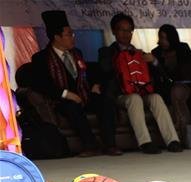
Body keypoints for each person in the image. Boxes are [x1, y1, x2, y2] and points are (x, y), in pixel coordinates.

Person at [30, 10, 121, 156]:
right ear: (56, 37)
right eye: (69, 34)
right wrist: (67, 94)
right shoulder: (41, 58)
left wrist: (95, 84)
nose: (73, 38)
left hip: (84, 94)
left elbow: (88, 73)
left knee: (105, 101)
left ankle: (110, 145)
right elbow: (42, 84)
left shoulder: (77, 53)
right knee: (72, 106)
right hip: (61, 99)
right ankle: (90, 145)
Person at [98, 13, 182, 153]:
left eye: (129, 30)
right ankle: (145, 142)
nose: (126, 34)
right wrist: (120, 59)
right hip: (121, 94)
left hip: (142, 91)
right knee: (135, 99)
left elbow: (162, 76)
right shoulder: (106, 52)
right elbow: (104, 70)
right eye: (122, 30)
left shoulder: (139, 53)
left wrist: (154, 62)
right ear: (113, 31)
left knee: (156, 98)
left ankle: (172, 140)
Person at [151, 24, 191, 135]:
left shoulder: (183, 48)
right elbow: (161, 74)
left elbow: (189, 68)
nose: (162, 41)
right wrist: (156, 63)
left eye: (165, 38)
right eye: (161, 37)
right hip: (167, 85)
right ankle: (183, 132)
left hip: (186, 83)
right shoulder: (156, 52)